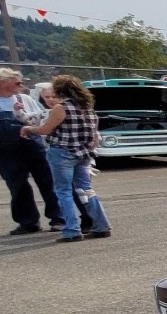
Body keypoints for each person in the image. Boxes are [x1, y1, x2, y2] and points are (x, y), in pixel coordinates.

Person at [22, 75, 112, 241]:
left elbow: (45, 130)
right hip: (83, 154)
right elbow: (94, 137)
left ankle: (72, 230)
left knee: (63, 192)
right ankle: (101, 226)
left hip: (62, 153)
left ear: (59, 90)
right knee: (86, 190)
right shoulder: (88, 109)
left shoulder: (61, 108)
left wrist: (29, 128)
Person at [0, 67, 64, 235]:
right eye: (17, 82)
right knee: (18, 187)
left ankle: (58, 219)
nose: (21, 85)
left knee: (48, 182)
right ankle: (28, 223)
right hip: (8, 151)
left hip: (35, 146)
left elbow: (43, 119)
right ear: (1, 83)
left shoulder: (26, 98)